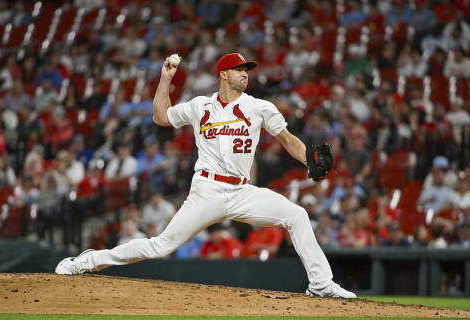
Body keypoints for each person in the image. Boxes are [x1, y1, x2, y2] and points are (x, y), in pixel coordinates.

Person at [55, 52, 357, 298]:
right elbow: (161, 116)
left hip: (242, 192)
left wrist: (308, 158)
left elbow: (288, 140)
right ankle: (89, 261)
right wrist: (165, 79)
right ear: (223, 74)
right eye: (239, 69)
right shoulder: (201, 106)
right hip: (207, 191)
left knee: (297, 215)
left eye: (246, 69)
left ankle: (320, 284)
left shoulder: (260, 107)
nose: (245, 73)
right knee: (161, 246)